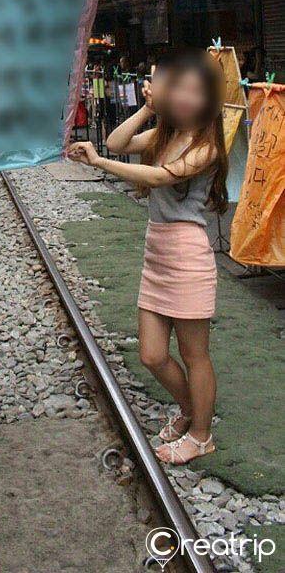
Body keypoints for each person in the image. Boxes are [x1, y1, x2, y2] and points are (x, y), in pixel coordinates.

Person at [68, 48, 228, 466]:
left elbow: (159, 176)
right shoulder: (165, 134)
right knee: (152, 354)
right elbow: (118, 142)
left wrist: (100, 163)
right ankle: (192, 409)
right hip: (157, 249)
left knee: (196, 355)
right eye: (178, 90)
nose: (186, 99)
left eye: (195, 92)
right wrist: (147, 109)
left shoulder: (208, 144)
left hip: (189, 255)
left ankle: (201, 435)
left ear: (208, 99)